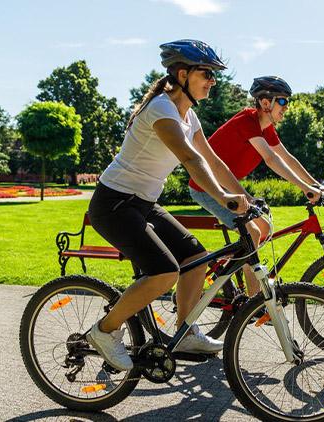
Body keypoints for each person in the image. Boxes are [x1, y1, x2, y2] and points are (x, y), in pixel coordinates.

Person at [85, 39, 252, 371]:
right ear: (182, 73)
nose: (213, 81)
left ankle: (184, 331)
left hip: (143, 203)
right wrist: (222, 198)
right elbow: (190, 158)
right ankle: (104, 331)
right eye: (207, 74)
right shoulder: (162, 109)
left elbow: (213, 161)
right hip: (114, 203)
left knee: (195, 258)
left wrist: (243, 196)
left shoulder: (189, 116)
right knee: (164, 273)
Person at [189, 76, 324, 297]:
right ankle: (255, 301)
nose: (286, 107)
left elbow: (287, 158)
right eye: (282, 101)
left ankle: (242, 269)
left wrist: (313, 184)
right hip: (205, 187)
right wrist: (305, 189)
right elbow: (272, 160)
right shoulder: (248, 122)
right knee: (252, 231)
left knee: (264, 228)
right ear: (265, 103)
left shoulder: (266, 127)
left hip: (225, 186)